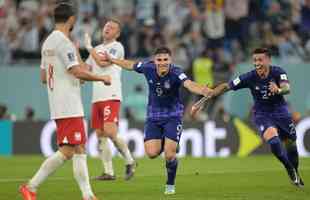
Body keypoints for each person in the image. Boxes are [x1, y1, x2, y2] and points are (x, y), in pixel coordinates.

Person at [19, 3, 111, 200]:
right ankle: (31, 186)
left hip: (58, 102)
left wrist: (75, 60)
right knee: (68, 151)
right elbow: (76, 71)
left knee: (78, 148)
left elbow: (44, 77)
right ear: (71, 20)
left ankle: (88, 196)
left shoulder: (48, 42)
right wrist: (101, 78)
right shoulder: (63, 42)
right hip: (69, 104)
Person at [100, 46, 211, 194]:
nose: (163, 62)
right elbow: (129, 65)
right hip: (153, 116)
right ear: (154, 60)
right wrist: (112, 60)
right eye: (159, 60)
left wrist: (202, 90)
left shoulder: (176, 72)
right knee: (151, 153)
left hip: (173, 115)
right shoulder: (148, 67)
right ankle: (169, 142)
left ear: (170, 60)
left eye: (166, 59)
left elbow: (189, 84)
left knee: (169, 155)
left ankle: (170, 185)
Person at [193, 47, 304, 187]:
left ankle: (296, 171)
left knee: (290, 144)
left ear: (268, 60)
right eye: (255, 60)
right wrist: (209, 95)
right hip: (262, 113)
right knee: (274, 142)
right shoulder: (249, 77)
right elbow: (227, 86)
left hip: (280, 111)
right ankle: (289, 168)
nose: (257, 63)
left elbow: (287, 89)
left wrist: (279, 90)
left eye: (260, 59)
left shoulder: (278, 72)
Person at [84, 19, 136, 181]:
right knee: (100, 134)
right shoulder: (97, 49)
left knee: (111, 132)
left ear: (117, 33)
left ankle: (130, 160)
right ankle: (109, 172)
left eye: (112, 27)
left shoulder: (117, 47)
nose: (107, 28)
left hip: (111, 94)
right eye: (106, 26)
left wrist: (89, 47)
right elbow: (87, 68)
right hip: (96, 97)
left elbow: (103, 63)